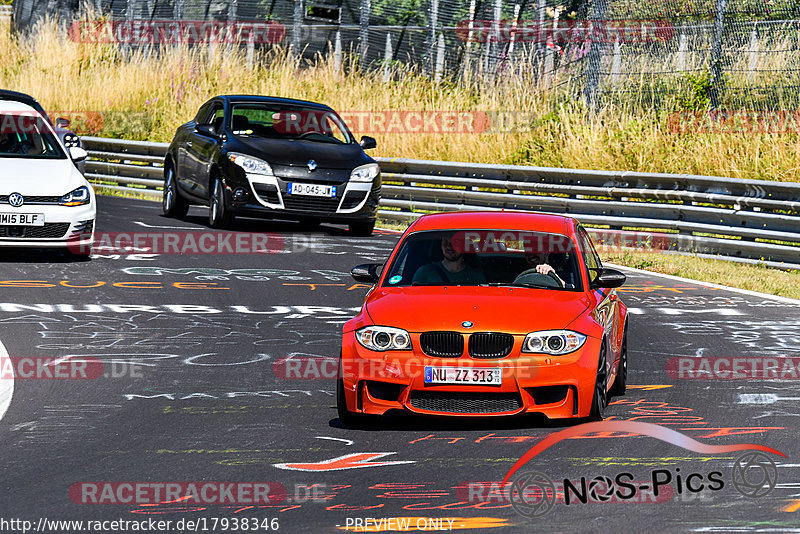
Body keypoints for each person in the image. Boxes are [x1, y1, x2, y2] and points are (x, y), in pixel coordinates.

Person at [412, 234, 485, 285]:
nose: (449, 247)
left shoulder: (476, 277)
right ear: (441, 245)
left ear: (464, 246)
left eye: (455, 242)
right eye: (445, 242)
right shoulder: (424, 273)